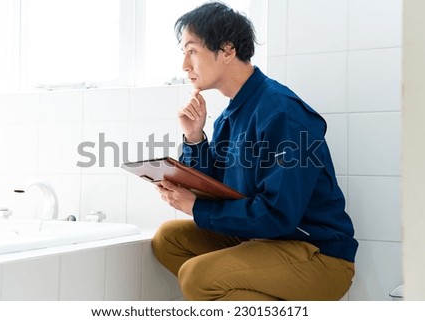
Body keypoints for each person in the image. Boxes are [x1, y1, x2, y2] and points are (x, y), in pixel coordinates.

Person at [152, 1, 358, 301]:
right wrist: (194, 137)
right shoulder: (231, 116)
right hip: (262, 241)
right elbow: (214, 188)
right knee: (168, 240)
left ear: (227, 50)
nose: (184, 65)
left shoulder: (281, 113)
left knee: (198, 276)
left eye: (192, 50)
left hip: (318, 255)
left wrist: (196, 208)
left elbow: (278, 214)